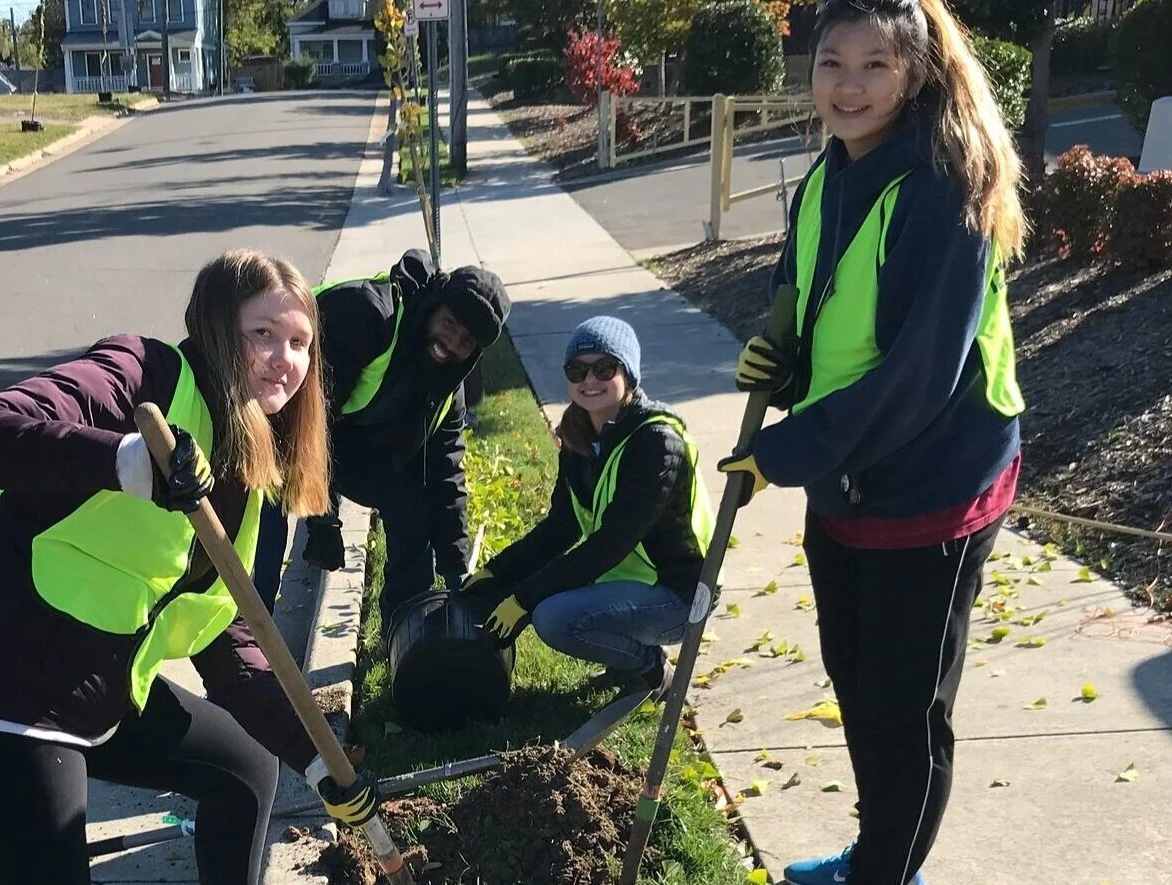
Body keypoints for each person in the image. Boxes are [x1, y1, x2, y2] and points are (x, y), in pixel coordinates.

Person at [0, 250, 380, 885]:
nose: (284, 359)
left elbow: (222, 636)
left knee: (248, 771)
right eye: (261, 334)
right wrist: (123, 460)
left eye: (299, 342)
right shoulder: (141, 374)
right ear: (215, 329)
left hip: (99, 688)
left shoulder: (245, 463)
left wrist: (318, 760)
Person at [715, 1, 1028, 882]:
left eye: (874, 66)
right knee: (857, 684)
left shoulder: (943, 192)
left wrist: (785, 453)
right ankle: (883, 851)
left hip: (934, 483)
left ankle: (884, 872)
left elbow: (919, 375)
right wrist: (780, 347)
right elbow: (809, 283)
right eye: (831, 63)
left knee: (904, 710)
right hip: (849, 477)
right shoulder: (828, 174)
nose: (847, 86)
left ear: (917, 74)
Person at [253, 249, 511, 624]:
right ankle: (250, 639)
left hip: (345, 435)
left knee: (412, 504)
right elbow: (306, 417)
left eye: (466, 341)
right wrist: (323, 517)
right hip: (277, 415)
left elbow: (445, 475)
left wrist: (457, 570)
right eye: (450, 323)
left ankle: (408, 627)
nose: (451, 343)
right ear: (434, 307)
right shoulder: (365, 314)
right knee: (267, 521)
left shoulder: (447, 391)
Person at [459, 317, 714, 697]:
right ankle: (627, 656)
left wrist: (524, 600)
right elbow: (561, 527)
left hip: (680, 594)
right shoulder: (580, 435)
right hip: (630, 580)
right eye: (577, 370)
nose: (589, 381)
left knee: (553, 617)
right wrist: (497, 573)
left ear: (628, 373)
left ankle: (650, 669)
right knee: (544, 594)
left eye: (604, 368)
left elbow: (609, 545)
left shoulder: (657, 444)